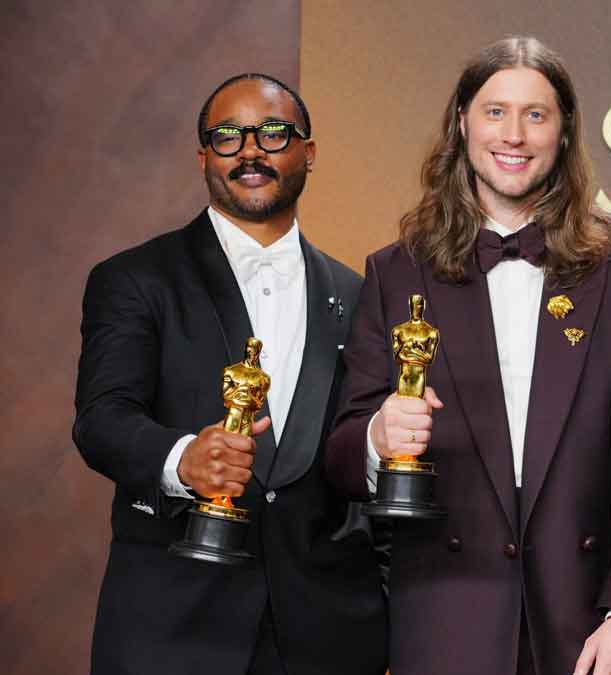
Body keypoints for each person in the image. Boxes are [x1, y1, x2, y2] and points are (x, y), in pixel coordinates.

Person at [323, 36, 611, 675]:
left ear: (565, 132)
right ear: (462, 123)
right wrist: (378, 439)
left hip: (592, 630)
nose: (514, 135)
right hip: (445, 623)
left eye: (535, 114)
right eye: (495, 112)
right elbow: (341, 455)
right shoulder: (396, 271)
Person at [73, 73, 387, 675]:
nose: (249, 151)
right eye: (227, 136)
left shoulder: (359, 294)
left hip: (327, 634)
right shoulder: (134, 279)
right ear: (203, 158)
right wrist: (181, 459)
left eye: (272, 133)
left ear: (309, 152)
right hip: (172, 630)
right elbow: (101, 420)